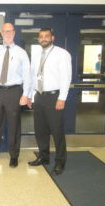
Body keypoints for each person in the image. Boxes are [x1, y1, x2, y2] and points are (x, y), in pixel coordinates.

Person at [0, 23, 32, 168]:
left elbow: (27, 75)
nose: (8, 33)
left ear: (14, 33)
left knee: (13, 125)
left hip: (14, 91)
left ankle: (14, 155)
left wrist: (26, 94)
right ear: (1, 33)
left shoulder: (21, 53)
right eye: (5, 31)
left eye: (10, 31)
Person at [27, 28, 72, 175]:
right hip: (39, 96)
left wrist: (62, 98)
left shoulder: (62, 54)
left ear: (52, 37)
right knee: (40, 130)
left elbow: (66, 77)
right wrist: (30, 95)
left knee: (57, 131)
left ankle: (60, 162)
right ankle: (44, 157)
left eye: (46, 36)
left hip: (54, 97)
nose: (43, 39)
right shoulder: (36, 54)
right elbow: (33, 77)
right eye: (41, 37)